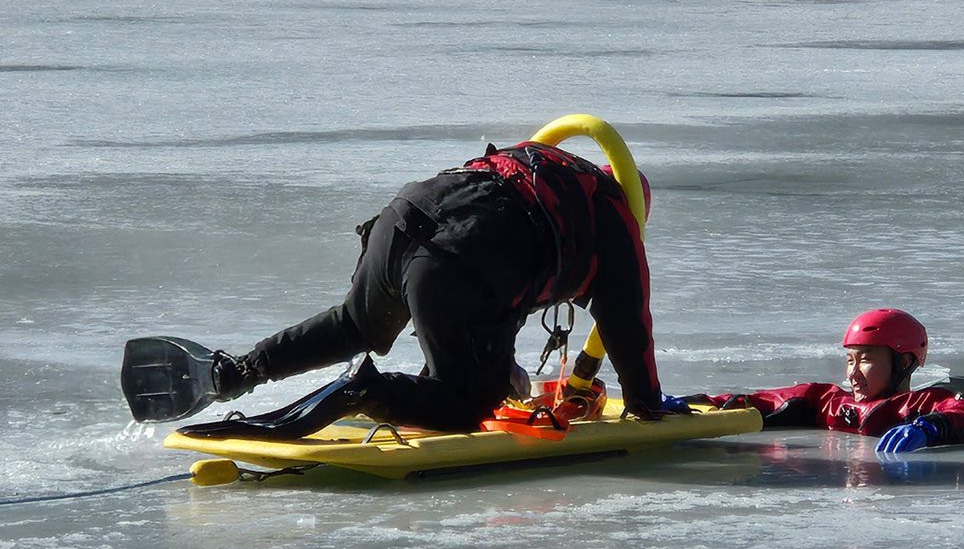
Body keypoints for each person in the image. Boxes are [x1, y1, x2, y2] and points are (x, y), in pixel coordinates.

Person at [183, 140, 676, 440]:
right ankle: (363, 391)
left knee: (354, 323)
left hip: (400, 222)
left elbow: (504, 258)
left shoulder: (552, 175)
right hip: (456, 260)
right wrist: (647, 404)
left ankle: (238, 371)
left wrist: (501, 363)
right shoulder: (614, 218)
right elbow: (631, 330)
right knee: (470, 404)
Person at [691, 309, 964, 452]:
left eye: (866, 360)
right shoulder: (828, 400)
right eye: (850, 361)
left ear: (905, 362)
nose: (853, 374)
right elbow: (769, 399)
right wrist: (703, 403)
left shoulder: (923, 403)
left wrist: (929, 428)